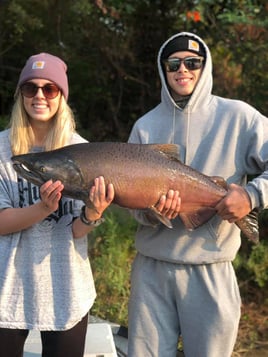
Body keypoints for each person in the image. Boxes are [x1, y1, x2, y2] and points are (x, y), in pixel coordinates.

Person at [127, 32, 268, 357]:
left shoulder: (240, 117)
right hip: (151, 271)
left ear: (205, 68)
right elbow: (133, 206)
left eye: (193, 62)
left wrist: (251, 196)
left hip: (210, 267)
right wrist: (151, 210)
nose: (183, 70)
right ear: (163, 69)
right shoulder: (145, 126)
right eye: (173, 63)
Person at [0, 53, 114, 357]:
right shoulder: (1, 149)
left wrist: (92, 213)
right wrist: (42, 209)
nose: (39, 96)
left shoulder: (85, 151)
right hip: (7, 291)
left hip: (67, 289)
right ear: (20, 94)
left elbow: (77, 231)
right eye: (31, 88)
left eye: (49, 89)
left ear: (61, 96)